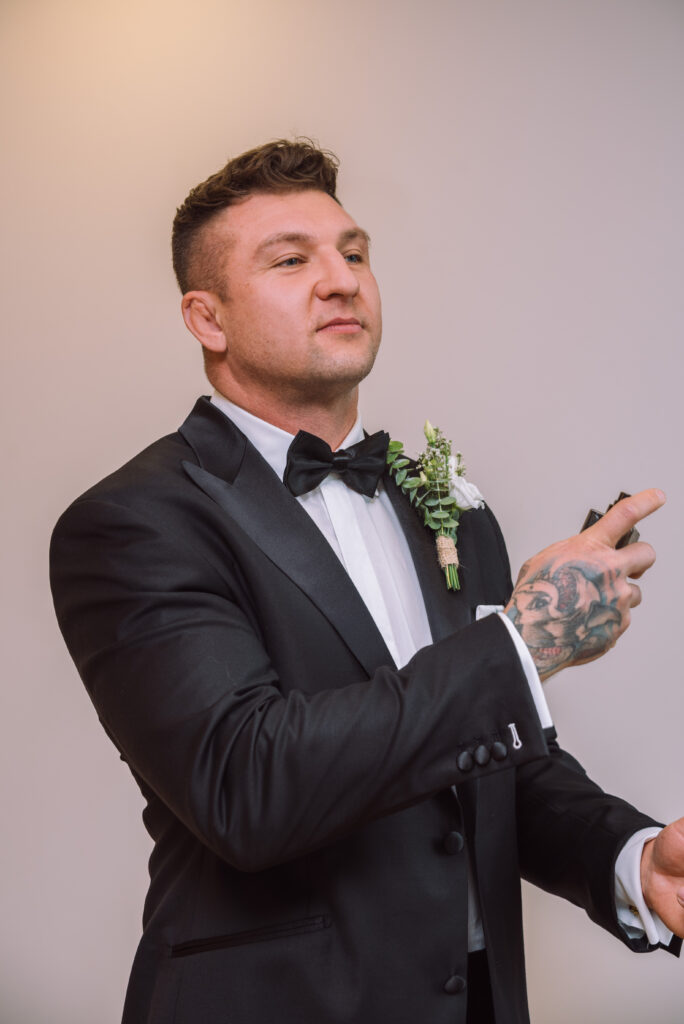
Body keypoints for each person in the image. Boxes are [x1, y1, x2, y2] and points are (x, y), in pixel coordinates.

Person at [50, 139, 683, 1024]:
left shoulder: (451, 508)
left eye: (354, 253)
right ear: (207, 318)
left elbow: (482, 758)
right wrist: (523, 646)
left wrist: (630, 855)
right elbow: (247, 784)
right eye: (290, 260)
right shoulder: (134, 521)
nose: (342, 279)